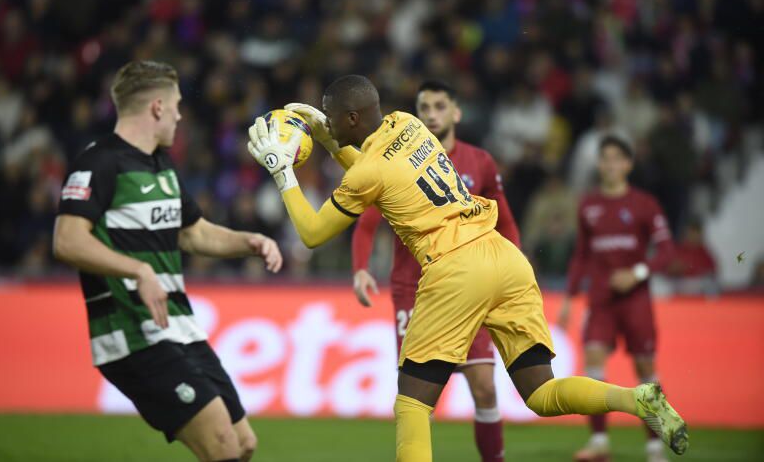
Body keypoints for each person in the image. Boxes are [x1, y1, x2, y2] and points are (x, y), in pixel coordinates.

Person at [247, 75, 688, 462]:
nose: (323, 121)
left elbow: (312, 232)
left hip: (455, 271)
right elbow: (373, 170)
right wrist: (327, 139)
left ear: (353, 119)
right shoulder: (409, 123)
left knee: (413, 405)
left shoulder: (366, 172)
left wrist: (282, 171)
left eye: (330, 116)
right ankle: (637, 399)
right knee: (541, 393)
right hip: (503, 258)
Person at [53, 61, 283, 462]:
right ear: (157, 107)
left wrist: (249, 241)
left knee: (243, 443)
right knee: (221, 443)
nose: (180, 114)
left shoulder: (161, 166)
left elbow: (194, 233)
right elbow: (67, 240)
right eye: (176, 105)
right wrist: (138, 269)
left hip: (180, 327)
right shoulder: (100, 162)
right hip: (131, 331)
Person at [350, 80, 520, 462]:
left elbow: (505, 222)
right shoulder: (399, 161)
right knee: (415, 398)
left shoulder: (481, 162)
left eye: (440, 106)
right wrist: (360, 269)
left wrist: (514, 271)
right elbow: (366, 222)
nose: (431, 114)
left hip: (468, 286)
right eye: (424, 107)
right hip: (414, 288)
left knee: (485, 387)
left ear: (456, 112)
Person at [558, 135, 677, 462]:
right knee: (593, 364)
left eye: (616, 159)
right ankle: (599, 442)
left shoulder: (644, 204)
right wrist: (569, 297)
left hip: (636, 300)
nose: (609, 165)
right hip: (601, 302)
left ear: (628, 164)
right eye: (604, 159)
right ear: (599, 164)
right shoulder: (589, 205)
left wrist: (637, 273)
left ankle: (654, 446)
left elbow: (667, 251)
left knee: (645, 369)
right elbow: (581, 254)